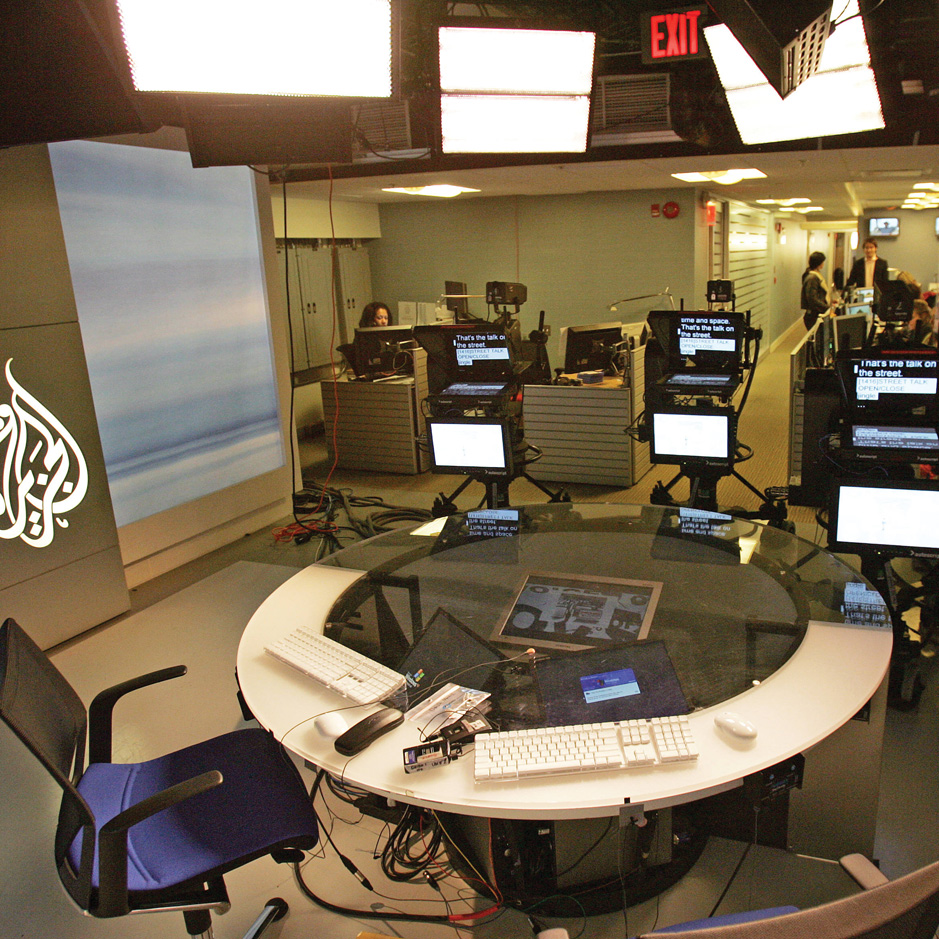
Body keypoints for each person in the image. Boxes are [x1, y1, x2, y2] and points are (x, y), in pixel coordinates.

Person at [801, 251, 832, 330]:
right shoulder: (812, 278)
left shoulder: (815, 275)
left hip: (816, 313)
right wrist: (827, 308)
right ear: (819, 263)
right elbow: (812, 299)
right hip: (814, 315)